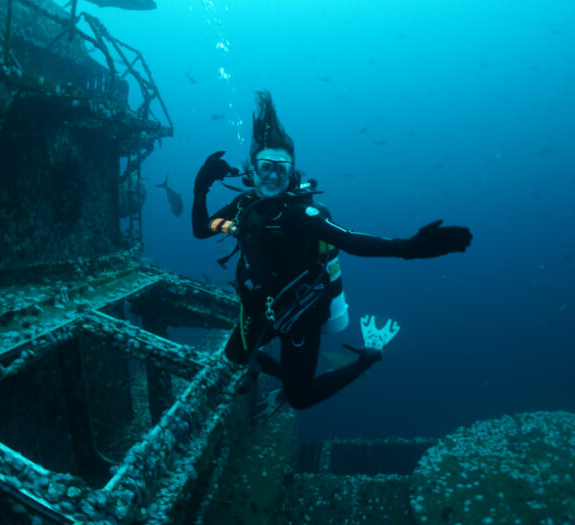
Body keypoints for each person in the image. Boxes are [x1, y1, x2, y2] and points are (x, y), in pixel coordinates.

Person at [192, 90, 472, 411]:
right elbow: (202, 230)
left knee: (300, 398)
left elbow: (350, 240)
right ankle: (286, 377)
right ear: (252, 170)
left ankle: (366, 359)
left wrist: (409, 247)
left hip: (299, 313)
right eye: (266, 167)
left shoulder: (300, 213)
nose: (273, 176)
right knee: (235, 354)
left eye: (282, 168)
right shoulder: (244, 204)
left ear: (292, 171)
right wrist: (201, 189)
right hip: (258, 305)